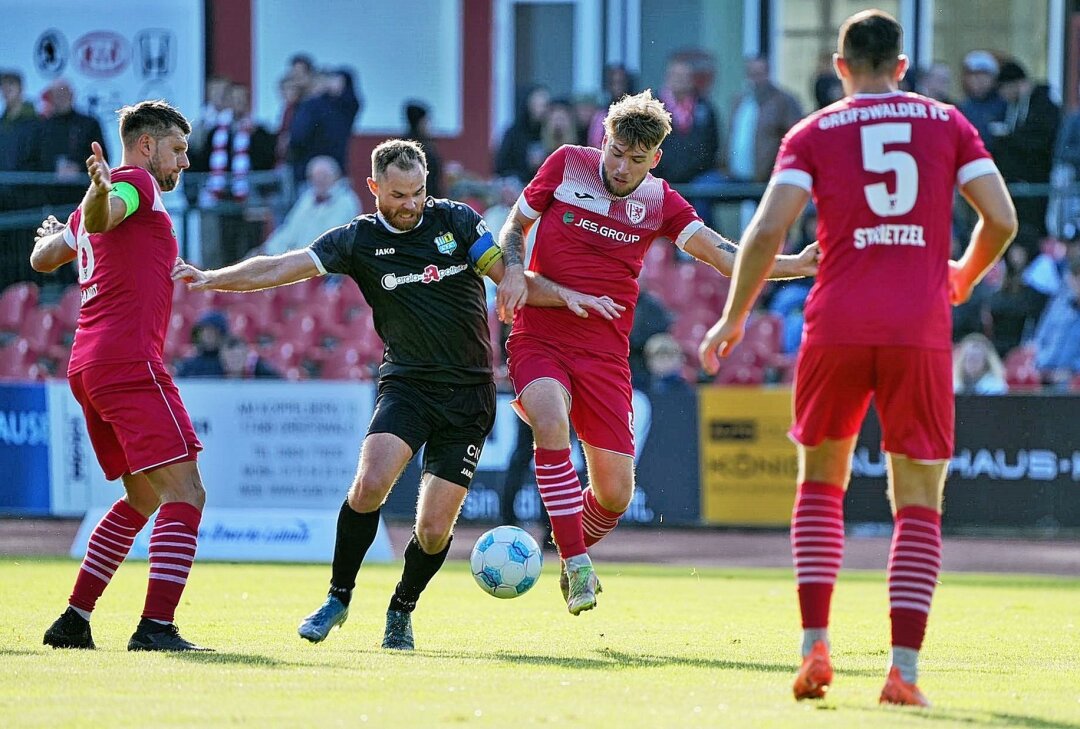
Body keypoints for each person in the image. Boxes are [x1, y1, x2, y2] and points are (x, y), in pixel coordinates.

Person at [170, 139, 622, 650]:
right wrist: (212, 278)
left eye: (419, 192)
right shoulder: (357, 240)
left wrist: (568, 296)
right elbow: (281, 265)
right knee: (369, 484)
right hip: (406, 384)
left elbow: (508, 277)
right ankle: (337, 599)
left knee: (432, 530)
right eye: (400, 194)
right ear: (374, 189)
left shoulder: (457, 222)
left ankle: (401, 610)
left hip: (470, 396)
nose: (411, 204)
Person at [697, 10, 1017, 706]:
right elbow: (1003, 218)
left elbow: (765, 229)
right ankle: (902, 671)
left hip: (835, 321)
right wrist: (961, 274)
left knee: (820, 485)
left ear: (839, 68)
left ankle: (814, 646)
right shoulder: (946, 121)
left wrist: (732, 317)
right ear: (901, 66)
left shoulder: (813, 132)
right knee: (917, 502)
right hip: (919, 327)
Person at [495, 89, 819, 616]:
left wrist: (796, 264)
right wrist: (513, 269)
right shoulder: (565, 165)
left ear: (656, 159)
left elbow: (722, 254)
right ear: (604, 139)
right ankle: (577, 564)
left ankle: (569, 550)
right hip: (541, 333)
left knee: (616, 495)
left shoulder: (661, 201)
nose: (622, 167)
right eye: (617, 152)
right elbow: (515, 225)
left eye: (636, 160)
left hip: (605, 353)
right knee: (548, 419)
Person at [29, 100, 213, 652]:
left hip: (89, 365)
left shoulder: (97, 204)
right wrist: (101, 195)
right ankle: (155, 627)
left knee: (142, 496)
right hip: (129, 362)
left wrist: (70, 222)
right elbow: (114, 209)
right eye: (178, 150)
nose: (184, 162)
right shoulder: (134, 183)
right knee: (187, 492)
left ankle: (73, 620)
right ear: (147, 145)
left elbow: (42, 259)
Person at [261, 155, 361, 256]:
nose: (320, 180)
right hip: (297, 258)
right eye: (315, 176)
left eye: (324, 176)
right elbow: (289, 230)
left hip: (325, 263)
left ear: (336, 177)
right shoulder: (308, 198)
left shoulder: (346, 201)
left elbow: (331, 240)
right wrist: (267, 249)